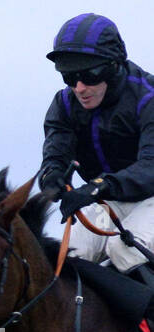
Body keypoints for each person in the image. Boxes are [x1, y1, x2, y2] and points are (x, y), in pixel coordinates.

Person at [39, 14, 154, 289]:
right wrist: (53, 178)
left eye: (89, 75)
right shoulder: (64, 105)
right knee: (65, 258)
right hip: (109, 199)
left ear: (114, 67)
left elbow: (151, 166)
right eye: (70, 76)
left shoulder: (148, 98)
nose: (79, 88)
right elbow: (55, 155)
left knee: (126, 250)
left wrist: (98, 187)